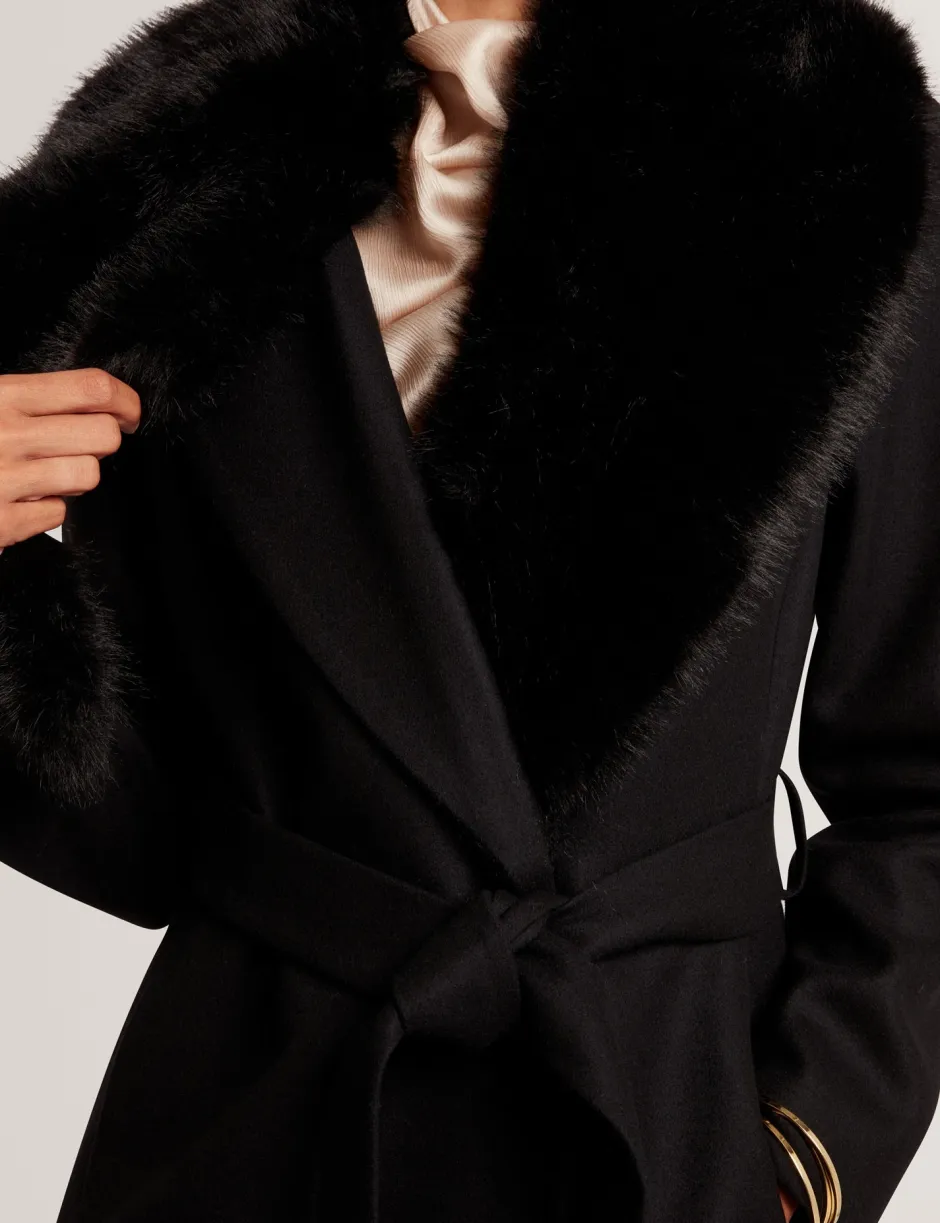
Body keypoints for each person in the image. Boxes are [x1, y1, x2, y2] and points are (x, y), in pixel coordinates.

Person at [0, 0, 937, 1220]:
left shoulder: (839, 135)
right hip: (258, 1131)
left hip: (658, 1117)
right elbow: (145, 828)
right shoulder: (164, 146)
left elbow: (920, 779)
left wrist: (803, 1155)